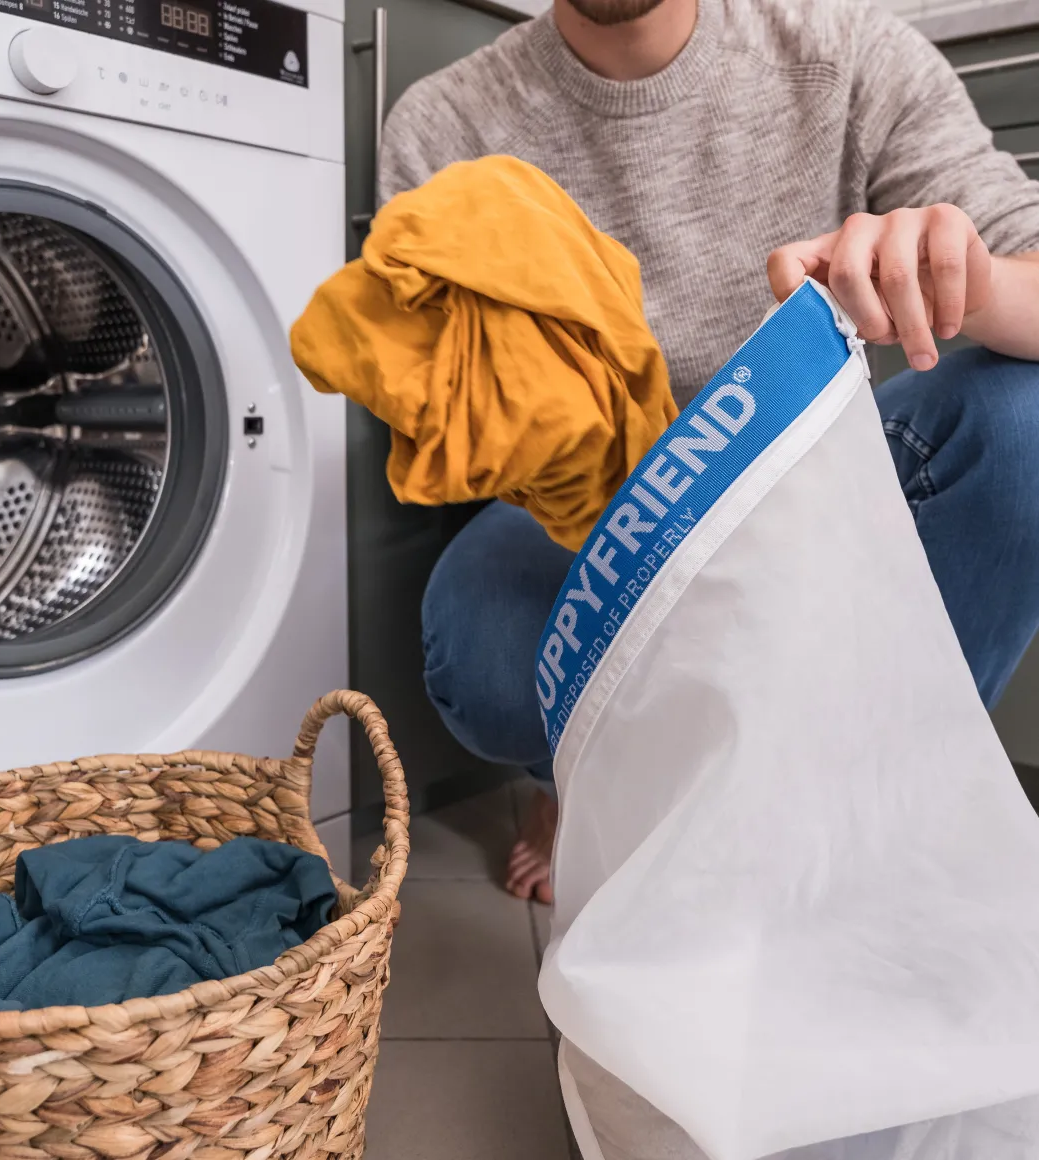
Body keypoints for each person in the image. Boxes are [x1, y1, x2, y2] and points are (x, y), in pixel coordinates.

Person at [378, 0, 1039, 904]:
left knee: (1025, 422)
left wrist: (960, 271)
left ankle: (862, 805)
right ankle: (573, 786)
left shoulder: (849, 54)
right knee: (481, 643)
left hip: (813, 467)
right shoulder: (444, 122)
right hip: (596, 506)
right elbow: (434, 404)